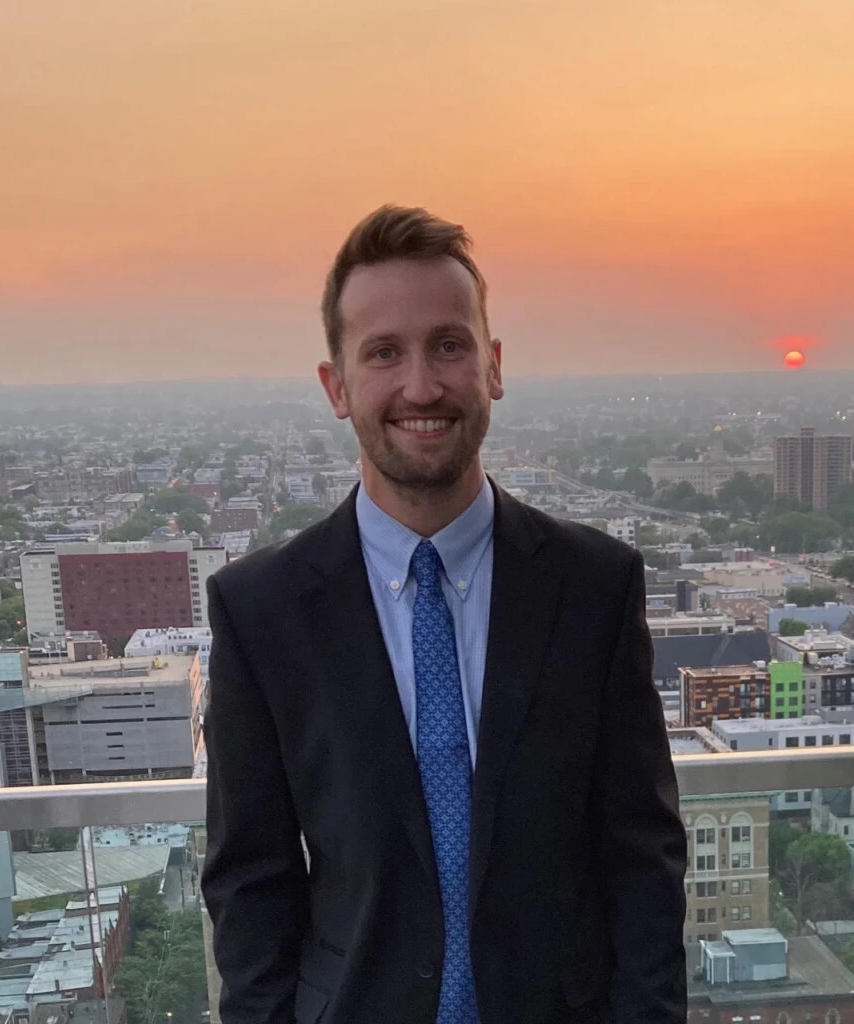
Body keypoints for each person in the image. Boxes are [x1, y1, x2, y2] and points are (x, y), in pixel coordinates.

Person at [201, 205, 687, 1024]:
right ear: (337, 385)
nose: (421, 386)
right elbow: (250, 882)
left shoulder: (594, 587)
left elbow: (642, 856)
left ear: (492, 367)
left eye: (449, 346)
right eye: (384, 352)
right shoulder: (262, 613)